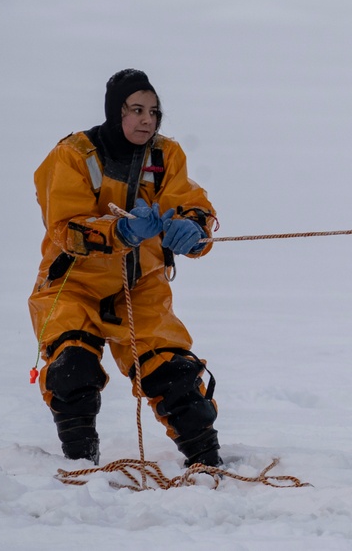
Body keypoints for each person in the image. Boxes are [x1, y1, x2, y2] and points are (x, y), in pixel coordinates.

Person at [29, 68, 222, 468]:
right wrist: (121, 231)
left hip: (141, 286)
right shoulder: (72, 155)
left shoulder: (166, 155)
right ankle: (81, 466)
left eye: (154, 111)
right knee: (72, 368)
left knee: (176, 377)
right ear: (116, 112)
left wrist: (194, 228)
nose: (147, 119)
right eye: (137, 110)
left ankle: (208, 462)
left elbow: (189, 200)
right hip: (74, 284)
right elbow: (64, 228)